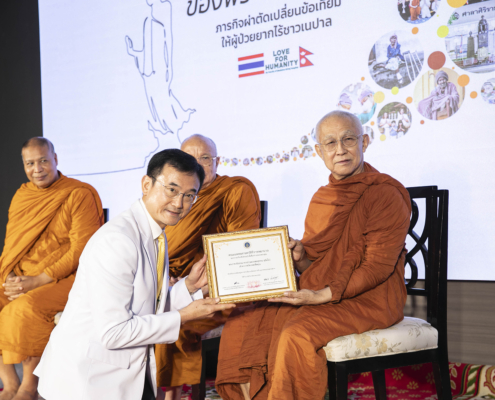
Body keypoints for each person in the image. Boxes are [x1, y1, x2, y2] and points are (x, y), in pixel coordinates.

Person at [215, 110, 411, 400]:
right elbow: (319, 266)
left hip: (372, 297)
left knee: (296, 333)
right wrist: (301, 259)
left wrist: (321, 296)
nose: (340, 150)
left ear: (364, 142)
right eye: (330, 143)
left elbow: (378, 267)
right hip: (326, 291)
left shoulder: (385, 194)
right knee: (243, 319)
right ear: (319, 151)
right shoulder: (323, 197)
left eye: (348, 139)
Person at [33, 149, 235, 400]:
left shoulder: (153, 232)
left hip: (125, 372)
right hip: (87, 381)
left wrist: (189, 287)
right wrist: (184, 316)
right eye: (172, 190)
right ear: (146, 185)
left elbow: (145, 306)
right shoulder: (119, 241)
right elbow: (114, 332)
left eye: (189, 195)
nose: (179, 203)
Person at [155, 134, 261, 400]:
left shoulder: (235, 191)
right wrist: (165, 279)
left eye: (205, 158)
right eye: (190, 159)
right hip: (172, 285)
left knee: (176, 323)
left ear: (217, 161)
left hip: (217, 288)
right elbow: (158, 247)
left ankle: (172, 395)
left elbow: (240, 253)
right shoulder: (172, 198)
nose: (198, 165)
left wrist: (191, 286)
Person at [0, 137, 103, 400]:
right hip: (25, 274)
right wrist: (10, 276)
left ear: (55, 159)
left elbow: (81, 250)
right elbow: (12, 244)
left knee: (25, 307)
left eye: (43, 161)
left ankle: (29, 387)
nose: (37, 169)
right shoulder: (23, 196)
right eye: (30, 163)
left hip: (68, 277)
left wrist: (37, 281)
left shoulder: (78, 194)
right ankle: (9, 384)